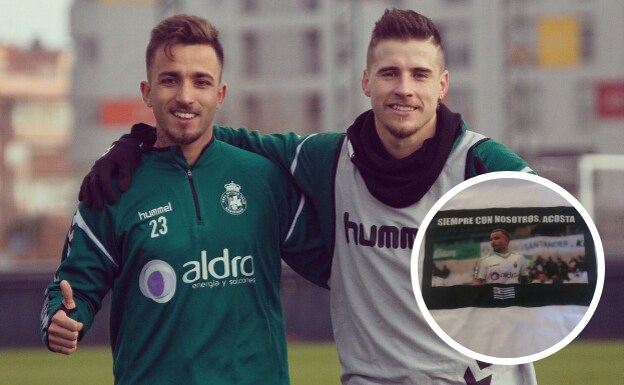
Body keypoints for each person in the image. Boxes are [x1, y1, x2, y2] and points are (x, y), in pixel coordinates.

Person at [79, 9, 539, 384]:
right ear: (366, 81)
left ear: (441, 86)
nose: (404, 88)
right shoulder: (330, 158)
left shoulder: (481, 165)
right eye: (389, 73)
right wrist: (135, 143)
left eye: (420, 74)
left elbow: (556, 242)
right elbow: (223, 138)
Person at [40, 14, 327, 385]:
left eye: (201, 81)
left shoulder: (263, 179)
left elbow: (338, 265)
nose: (185, 96)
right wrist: (60, 319)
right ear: (147, 91)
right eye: (170, 79)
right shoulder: (112, 186)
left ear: (220, 94)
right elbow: (72, 288)